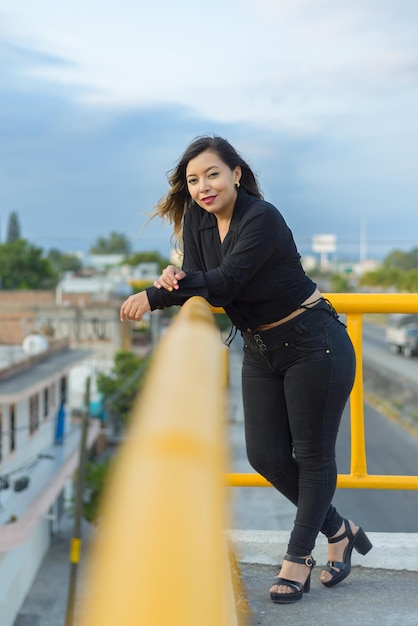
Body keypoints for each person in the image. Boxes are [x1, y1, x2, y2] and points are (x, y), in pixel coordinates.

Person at [120, 135, 372, 604]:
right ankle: (339, 530)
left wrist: (155, 294)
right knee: (264, 455)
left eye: (212, 174)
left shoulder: (262, 217)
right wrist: (175, 278)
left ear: (236, 173)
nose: (202, 187)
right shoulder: (197, 220)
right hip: (259, 348)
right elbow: (204, 290)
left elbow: (227, 280)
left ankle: (298, 557)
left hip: (313, 344)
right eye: (193, 180)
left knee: (312, 456)